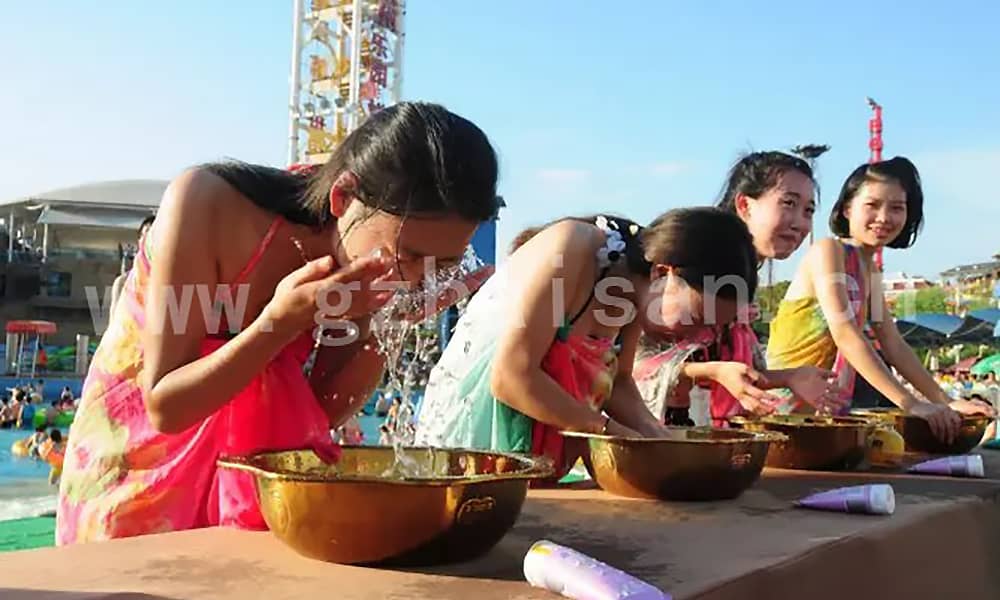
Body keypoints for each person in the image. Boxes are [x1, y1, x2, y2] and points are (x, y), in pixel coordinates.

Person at [57, 102, 500, 544]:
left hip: (245, 486)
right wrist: (280, 322)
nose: (417, 278)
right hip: (137, 467)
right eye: (407, 256)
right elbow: (165, 407)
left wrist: (389, 324)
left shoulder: (368, 267)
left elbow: (320, 412)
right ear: (342, 197)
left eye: (443, 264)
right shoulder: (209, 203)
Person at [414, 208, 760, 479]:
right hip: (476, 435)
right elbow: (511, 378)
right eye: (696, 318)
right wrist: (610, 432)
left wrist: (660, 440)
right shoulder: (572, 248)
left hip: (534, 454)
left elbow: (619, 383)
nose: (693, 338)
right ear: (662, 273)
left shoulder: (636, 291)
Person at [766, 157, 993, 442]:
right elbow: (845, 333)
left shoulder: (869, 270)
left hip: (823, 412)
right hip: (783, 407)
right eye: (872, 206)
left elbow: (893, 344)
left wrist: (945, 400)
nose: (884, 218)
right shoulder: (829, 250)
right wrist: (911, 403)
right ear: (848, 208)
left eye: (896, 208)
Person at [634, 152, 844, 427]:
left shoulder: (741, 284)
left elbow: (739, 372)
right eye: (788, 203)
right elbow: (632, 365)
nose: (800, 223)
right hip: (652, 433)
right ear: (744, 205)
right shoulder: (690, 261)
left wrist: (790, 377)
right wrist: (713, 370)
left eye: (808, 211)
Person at [109, 216, 156, 318]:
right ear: (139, 241)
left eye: (155, 236)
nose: (150, 241)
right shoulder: (122, 283)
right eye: (147, 234)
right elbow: (114, 323)